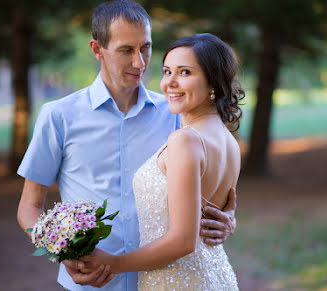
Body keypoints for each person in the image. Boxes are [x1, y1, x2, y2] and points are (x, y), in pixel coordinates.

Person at [16, 1, 237, 290]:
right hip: (91, 283)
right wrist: (61, 251)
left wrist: (226, 217)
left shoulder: (175, 113)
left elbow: (208, 178)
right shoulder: (58, 116)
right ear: (97, 50)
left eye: (145, 47)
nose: (140, 62)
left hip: (163, 276)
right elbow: (29, 208)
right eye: (126, 50)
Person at [73, 33, 243, 290]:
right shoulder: (228, 140)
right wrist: (230, 219)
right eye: (167, 71)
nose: (170, 83)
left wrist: (112, 263)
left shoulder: (185, 140)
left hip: (179, 281)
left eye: (185, 72)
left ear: (213, 83)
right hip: (215, 276)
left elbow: (183, 241)